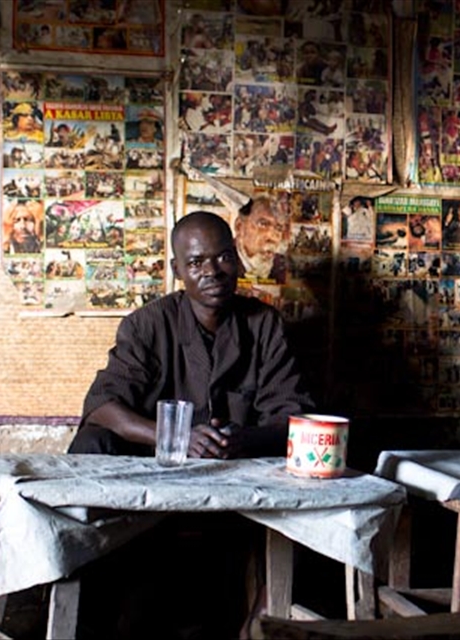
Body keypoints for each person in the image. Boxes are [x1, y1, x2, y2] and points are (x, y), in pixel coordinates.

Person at [67, 211, 313, 637]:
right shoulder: (148, 325)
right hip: (153, 486)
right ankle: (89, 617)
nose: (212, 272)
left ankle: (255, 623)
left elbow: (293, 416)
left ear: (237, 260)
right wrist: (173, 438)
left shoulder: (264, 325)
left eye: (222, 258)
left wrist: (243, 439)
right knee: (93, 443)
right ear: (177, 270)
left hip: (234, 483)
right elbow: (102, 405)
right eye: (196, 263)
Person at [234, 196, 288, 281]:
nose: (272, 237)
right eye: (263, 224)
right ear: (239, 227)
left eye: (279, 228)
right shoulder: (220, 259)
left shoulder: (281, 265)